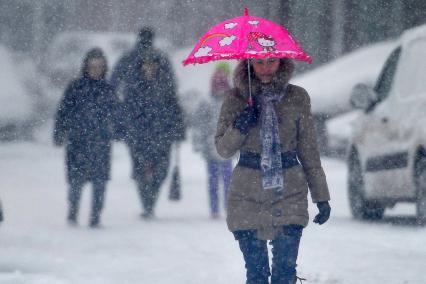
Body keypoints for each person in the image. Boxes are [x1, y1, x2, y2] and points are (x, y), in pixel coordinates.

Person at [215, 57, 331, 284]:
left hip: (289, 191)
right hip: (246, 195)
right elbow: (223, 149)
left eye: (271, 61)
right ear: (248, 64)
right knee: (257, 275)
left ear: (282, 62)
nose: (266, 68)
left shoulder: (297, 97)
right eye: (259, 62)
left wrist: (321, 197)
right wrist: (241, 125)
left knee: (284, 273)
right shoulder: (235, 99)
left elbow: (308, 150)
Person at [110, 27, 185, 219]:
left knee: (154, 169)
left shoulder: (148, 61)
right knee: (149, 167)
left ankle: (148, 200)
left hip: (156, 129)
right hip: (141, 129)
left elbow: (172, 98)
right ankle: (148, 203)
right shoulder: (144, 63)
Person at [53, 48, 117, 228]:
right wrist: (60, 132)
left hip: (101, 143)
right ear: (86, 67)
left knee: (100, 182)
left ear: (104, 67)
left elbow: (117, 114)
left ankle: (95, 216)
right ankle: (73, 212)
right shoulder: (75, 87)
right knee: (75, 181)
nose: (95, 69)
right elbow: (63, 111)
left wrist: (119, 132)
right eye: (92, 66)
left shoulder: (108, 89)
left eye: (99, 66)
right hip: (78, 142)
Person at [192, 62, 233, 218]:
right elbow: (199, 126)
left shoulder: (230, 102)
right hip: (213, 148)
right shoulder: (207, 103)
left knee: (224, 179)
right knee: (216, 179)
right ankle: (216, 208)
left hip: (225, 147)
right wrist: (198, 144)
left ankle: (225, 207)